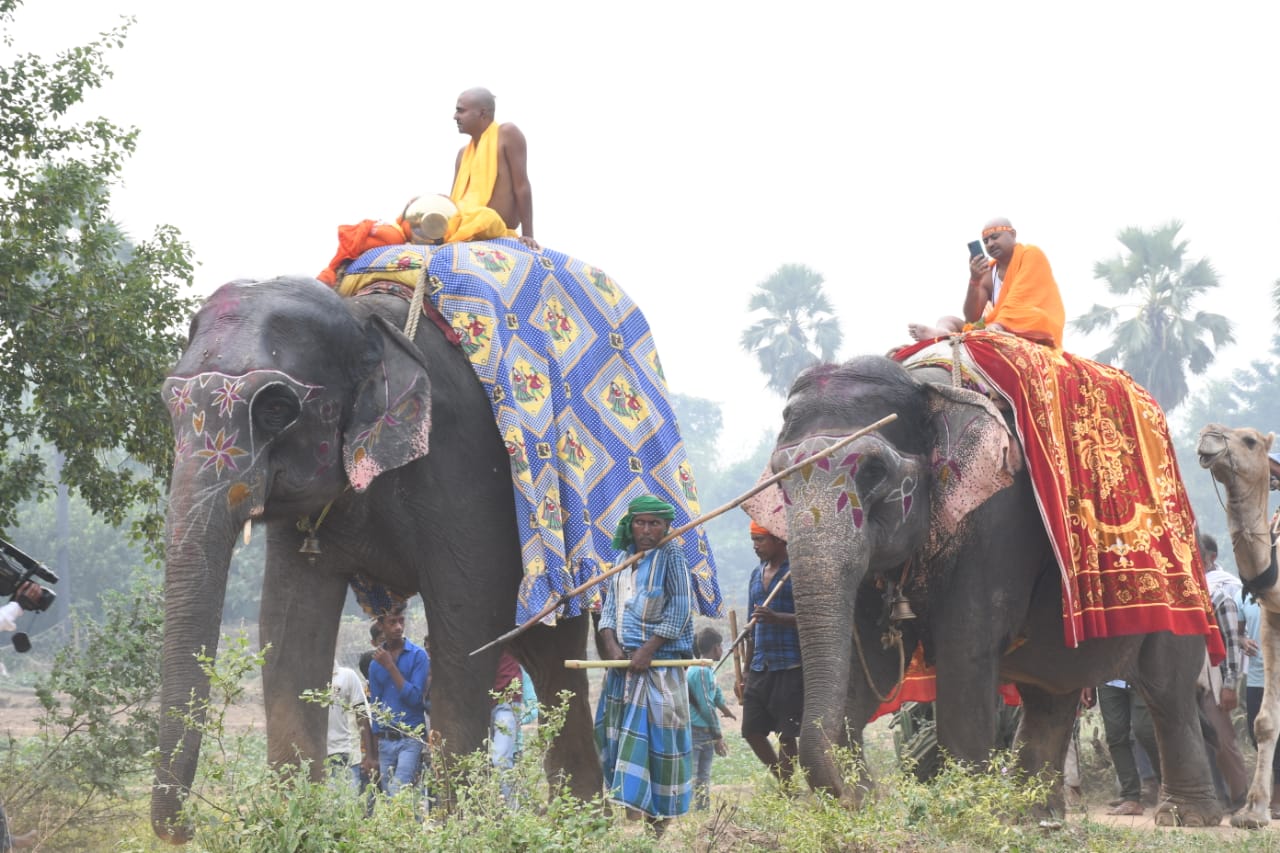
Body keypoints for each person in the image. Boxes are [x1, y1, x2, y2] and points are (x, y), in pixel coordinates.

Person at [595, 495, 695, 833]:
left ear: (667, 526)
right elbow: (609, 612)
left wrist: (648, 650)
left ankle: (658, 827)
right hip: (625, 672)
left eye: (655, 524)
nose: (647, 530)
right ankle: (634, 814)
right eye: (641, 523)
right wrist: (611, 648)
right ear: (630, 525)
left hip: (660, 670)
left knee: (660, 748)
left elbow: (680, 611)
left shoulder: (672, 555)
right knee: (619, 742)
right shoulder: (623, 559)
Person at [908, 218, 1066, 349]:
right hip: (994, 325)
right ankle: (942, 333)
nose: (990, 244)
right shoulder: (989, 272)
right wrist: (974, 280)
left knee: (1036, 316)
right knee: (947, 319)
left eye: (995, 237)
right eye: (985, 241)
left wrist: (1000, 325)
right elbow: (972, 317)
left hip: (1026, 324)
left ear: (1012, 234)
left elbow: (1020, 297)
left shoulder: (1031, 253)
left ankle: (992, 329)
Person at [737, 521, 801, 784]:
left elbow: (813, 618)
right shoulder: (756, 573)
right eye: (753, 540)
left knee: (787, 733)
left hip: (790, 664)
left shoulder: (797, 572)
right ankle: (783, 781)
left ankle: (787, 792)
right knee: (751, 730)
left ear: (779, 541)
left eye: (760, 540)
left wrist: (778, 618)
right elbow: (753, 624)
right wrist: (745, 668)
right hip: (761, 664)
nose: (755, 546)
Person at [1198, 534, 1249, 811]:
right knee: (1203, 740)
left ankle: (1240, 797)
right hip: (1194, 677)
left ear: (1209, 558)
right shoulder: (1191, 592)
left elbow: (1231, 642)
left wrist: (1230, 684)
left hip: (1216, 677)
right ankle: (1217, 797)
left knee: (1222, 739)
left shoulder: (1220, 594)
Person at [451, 87, 538, 249]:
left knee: (485, 216)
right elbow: (454, 203)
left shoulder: (507, 134)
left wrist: (528, 234)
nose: (455, 117)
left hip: (495, 228)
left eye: (460, 111)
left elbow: (522, 186)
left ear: (482, 113)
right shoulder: (462, 154)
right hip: (464, 230)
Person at [367, 604, 430, 799]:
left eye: (401, 621)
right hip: (386, 741)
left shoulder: (418, 656)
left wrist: (390, 666)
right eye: (392, 622)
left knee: (398, 792)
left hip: (410, 737)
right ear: (381, 625)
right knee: (393, 798)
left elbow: (415, 698)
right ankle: (415, 828)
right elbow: (375, 707)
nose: (398, 627)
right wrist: (374, 753)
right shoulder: (374, 663)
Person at [687, 627, 735, 810]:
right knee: (694, 775)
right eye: (721, 646)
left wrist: (726, 710)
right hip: (697, 731)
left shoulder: (707, 669)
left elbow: (716, 695)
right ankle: (692, 812)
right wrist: (718, 735)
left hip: (705, 732)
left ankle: (701, 812)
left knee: (703, 775)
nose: (722, 649)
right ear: (716, 647)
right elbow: (707, 706)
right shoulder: (700, 670)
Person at [1240, 592, 1279, 816]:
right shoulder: (1242, 597)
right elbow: (1237, 633)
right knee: (1258, 731)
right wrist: (1242, 640)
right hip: (1256, 677)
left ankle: (1276, 801)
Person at [1096, 680, 1161, 814]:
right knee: (1115, 735)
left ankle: (1167, 786)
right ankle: (1130, 797)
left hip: (1141, 676)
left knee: (1145, 731)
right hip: (1108, 679)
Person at [326, 659, 373, 791]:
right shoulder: (307, 678)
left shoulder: (347, 676)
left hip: (345, 752)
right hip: (317, 755)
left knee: (349, 803)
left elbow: (362, 715)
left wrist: (368, 755)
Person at [490, 649, 524, 807]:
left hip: (505, 703)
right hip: (478, 704)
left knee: (500, 760)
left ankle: (514, 814)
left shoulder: (513, 630)